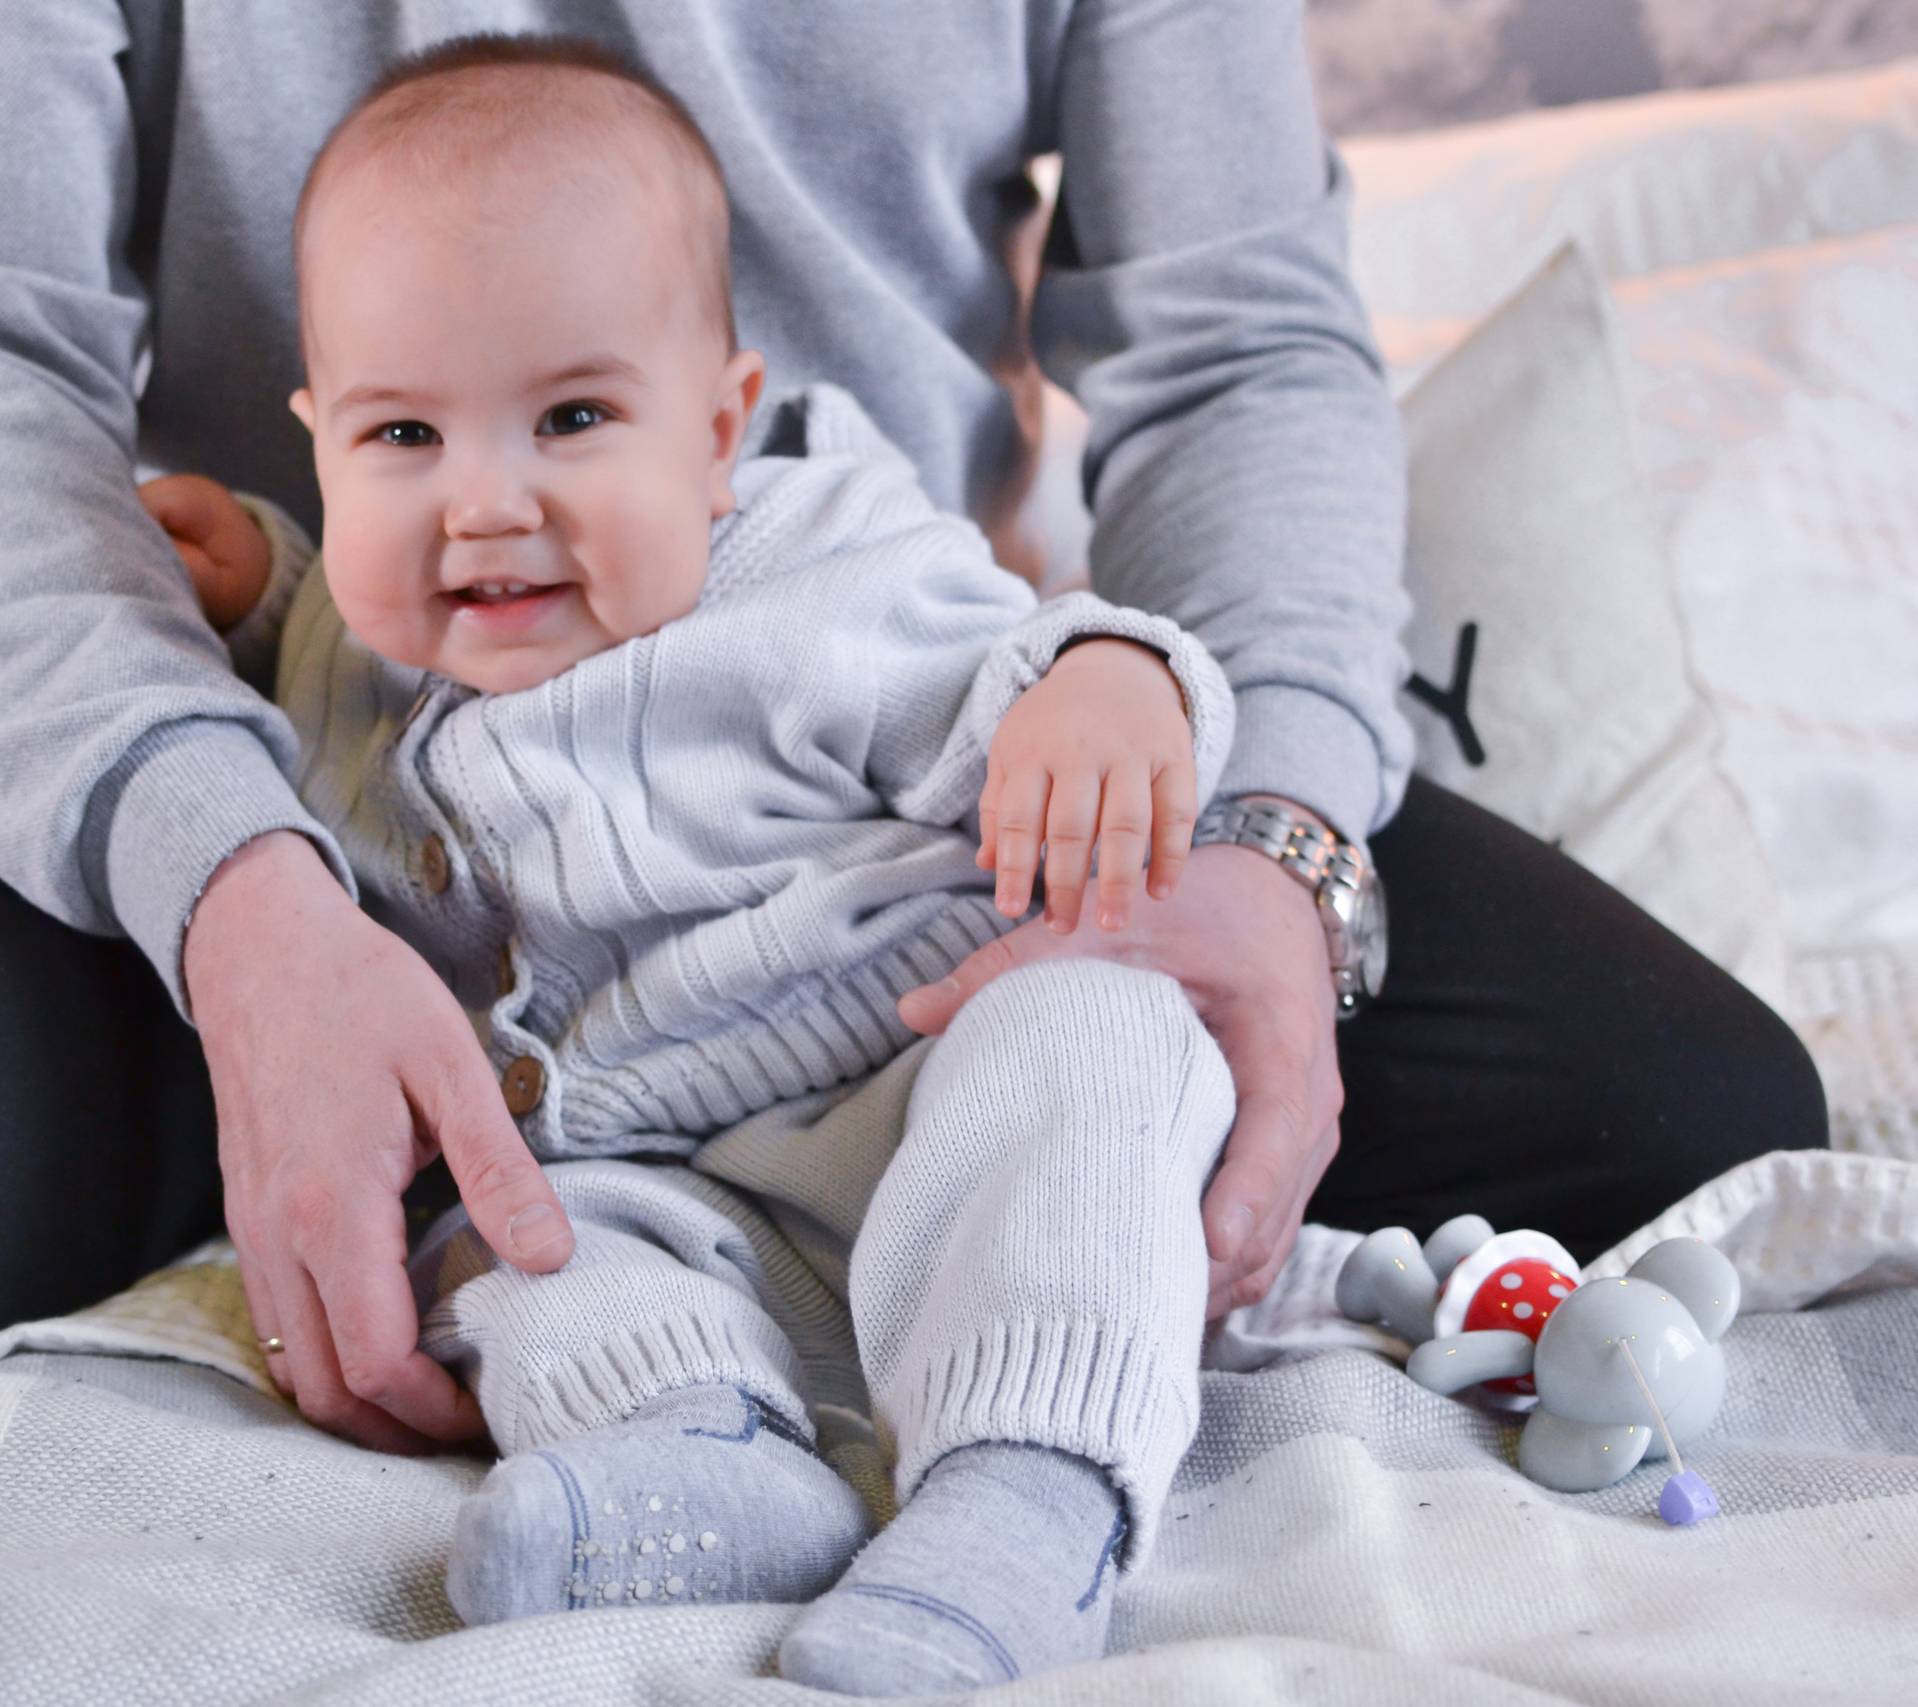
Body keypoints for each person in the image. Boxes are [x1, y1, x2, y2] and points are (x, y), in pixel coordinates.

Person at [0, 0, 1819, 1495]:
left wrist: (1269, 833)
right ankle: (441, 1136)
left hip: (879, 799)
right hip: (282, 751)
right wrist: (225, 885)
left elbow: (1235, 354)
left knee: (1685, 1117)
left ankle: (765, 1166)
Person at [138, 40, 1242, 1686]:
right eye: (401, 440)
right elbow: (309, 684)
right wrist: (256, 594)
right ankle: (709, 1462)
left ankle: (1027, 1502)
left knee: (1099, 1042)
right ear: (319, 441)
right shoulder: (347, 647)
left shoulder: (818, 569)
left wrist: (1111, 681)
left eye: (573, 417)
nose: (482, 507)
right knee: (501, 1252)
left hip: (905, 1087)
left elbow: (1010, 665)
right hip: (621, 1172)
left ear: (722, 429)